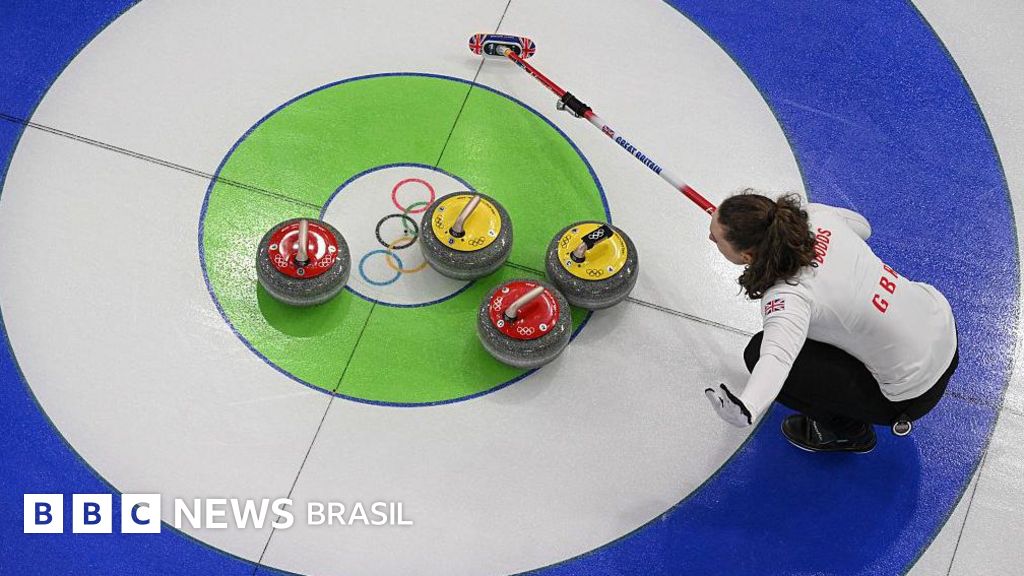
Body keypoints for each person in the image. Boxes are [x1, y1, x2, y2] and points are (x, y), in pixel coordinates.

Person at [703, 190, 959, 453]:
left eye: (717, 239)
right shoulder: (816, 218)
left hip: (913, 393)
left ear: (747, 257)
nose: (711, 237)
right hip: (942, 326)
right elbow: (864, 228)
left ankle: (848, 434)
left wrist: (748, 408)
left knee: (757, 352)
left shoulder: (789, 294)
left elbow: (775, 358)